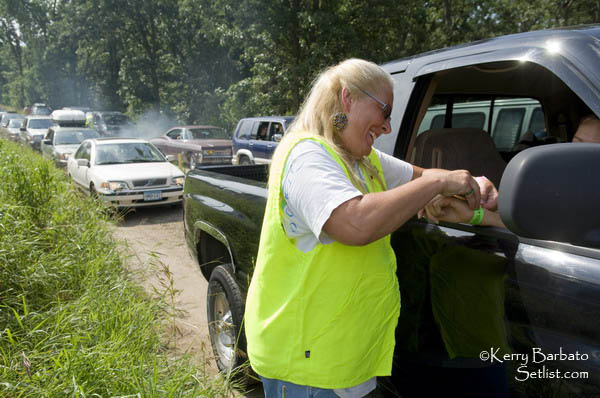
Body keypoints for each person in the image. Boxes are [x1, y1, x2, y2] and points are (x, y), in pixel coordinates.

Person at [244, 58, 497, 398]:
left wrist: (476, 184)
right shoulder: (308, 156)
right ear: (347, 99)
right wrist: (438, 181)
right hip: (307, 364)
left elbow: (419, 176)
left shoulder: (363, 160)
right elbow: (354, 222)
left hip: (342, 357)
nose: (388, 127)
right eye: (384, 112)